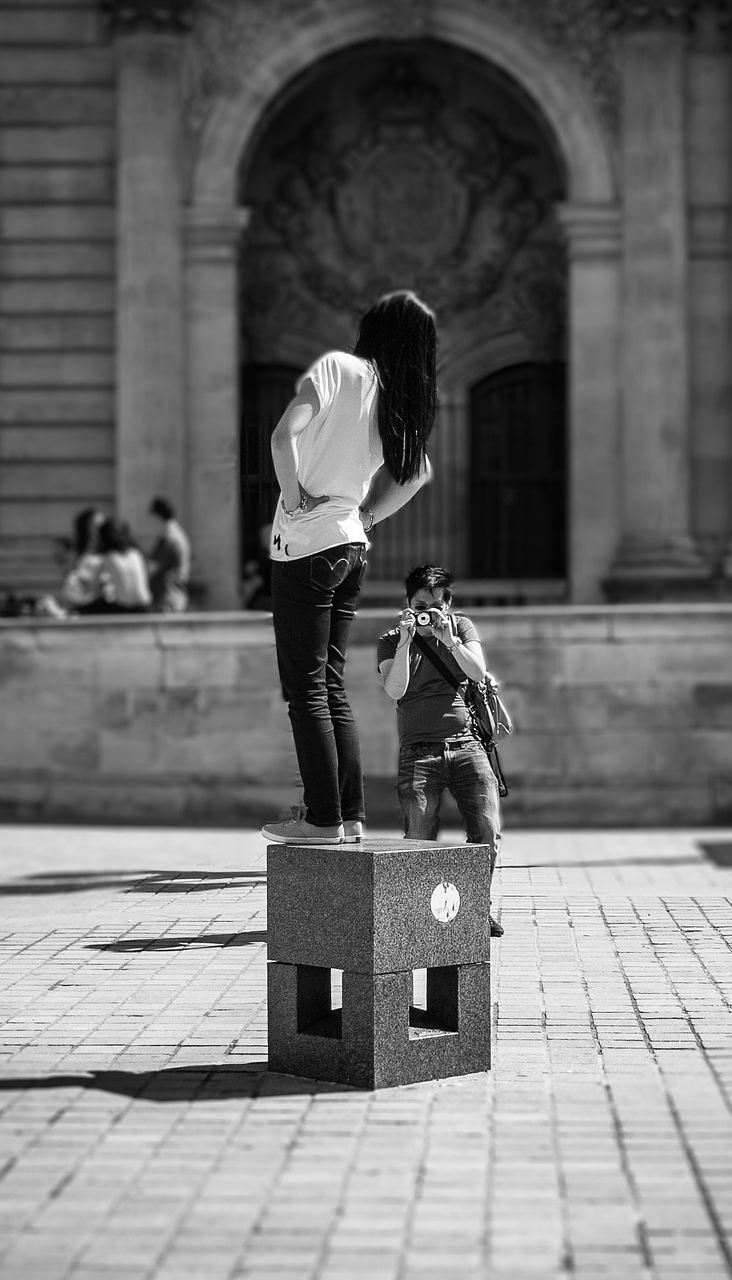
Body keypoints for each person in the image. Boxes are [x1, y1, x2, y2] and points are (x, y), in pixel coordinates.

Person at [260, 289, 438, 845]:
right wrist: (367, 516)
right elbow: (418, 473)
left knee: (305, 689)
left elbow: (281, 437)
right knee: (330, 685)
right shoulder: (392, 395)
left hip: (309, 545)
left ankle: (321, 818)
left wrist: (292, 499)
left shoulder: (340, 368)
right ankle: (348, 814)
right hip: (351, 546)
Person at [378, 565, 504, 937]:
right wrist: (405, 641)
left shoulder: (461, 628)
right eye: (420, 604)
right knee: (418, 837)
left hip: (467, 745)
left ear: (448, 605)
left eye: (436, 605)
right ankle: (423, 915)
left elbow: (478, 672)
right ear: (407, 603)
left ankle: (477, 909)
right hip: (419, 752)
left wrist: (449, 640)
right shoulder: (390, 639)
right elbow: (395, 690)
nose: (428, 612)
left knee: (486, 832)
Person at [35, 507, 105, 618]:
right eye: (95, 526)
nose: (98, 531)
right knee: (45, 603)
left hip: (91, 604)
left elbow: (100, 588)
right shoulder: (78, 554)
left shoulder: (105, 555)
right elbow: (69, 583)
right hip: (75, 600)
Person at [87, 518, 152, 613]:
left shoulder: (108, 558)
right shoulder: (136, 554)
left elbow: (93, 585)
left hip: (125, 609)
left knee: (94, 606)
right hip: (146, 606)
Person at [147, 496, 191, 614]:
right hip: (176, 593)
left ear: (157, 516)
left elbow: (152, 567)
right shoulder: (179, 532)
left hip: (166, 596)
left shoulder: (168, 537)